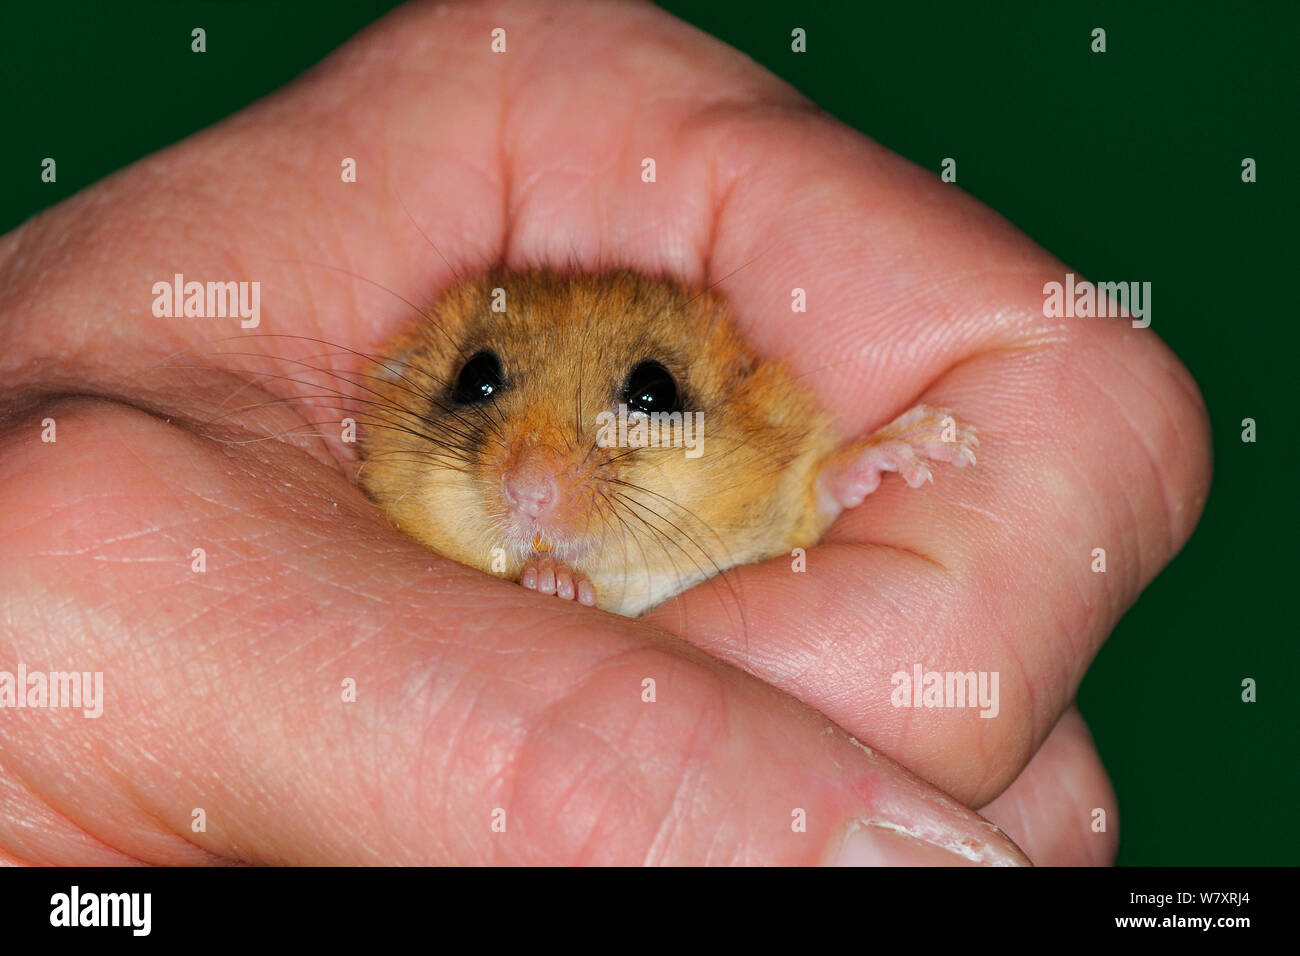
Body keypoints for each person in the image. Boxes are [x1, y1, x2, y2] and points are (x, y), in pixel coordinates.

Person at [0, 0, 1208, 865]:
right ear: (394, 392)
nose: (529, 460)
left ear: (761, 402)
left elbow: (785, 502)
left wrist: (844, 477)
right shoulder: (367, 515)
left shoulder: (781, 455)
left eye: (641, 395)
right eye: (478, 384)